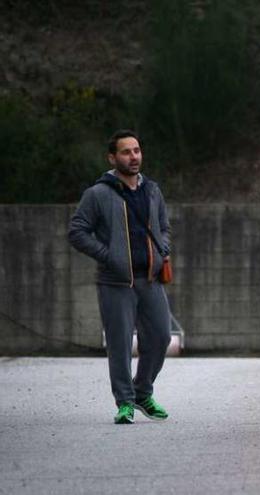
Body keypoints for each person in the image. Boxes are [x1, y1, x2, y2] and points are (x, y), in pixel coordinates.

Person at [68, 129, 172, 424]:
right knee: (120, 342)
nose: (134, 156)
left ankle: (142, 392)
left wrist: (163, 248)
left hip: (150, 280)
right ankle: (125, 403)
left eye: (137, 150)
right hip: (115, 282)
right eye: (126, 152)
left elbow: (164, 225)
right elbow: (77, 231)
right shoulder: (98, 194)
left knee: (161, 336)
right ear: (113, 158)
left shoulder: (152, 190)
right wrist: (108, 256)